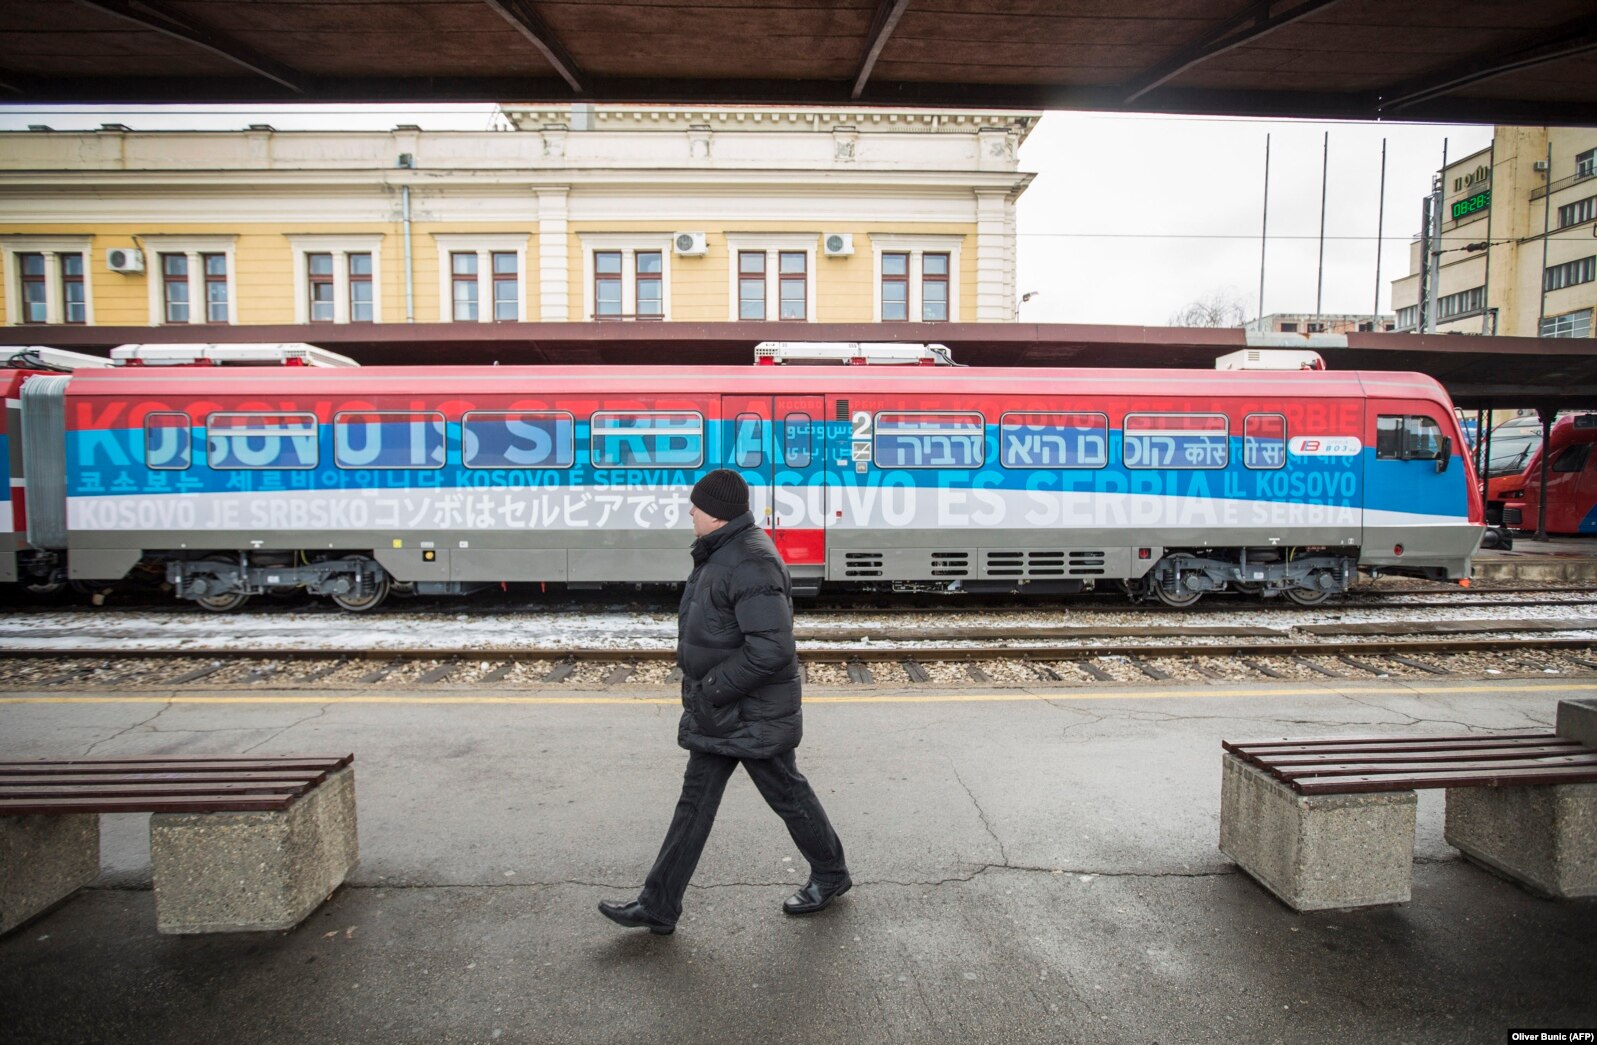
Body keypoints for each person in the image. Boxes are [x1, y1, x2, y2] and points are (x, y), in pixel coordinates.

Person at [599, 469, 850, 935]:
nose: (689, 512)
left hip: (748, 710)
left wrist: (713, 688)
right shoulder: (723, 552)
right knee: (696, 802)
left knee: (787, 793)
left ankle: (831, 874)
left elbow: (771, 648)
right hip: (722, 711)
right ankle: (659, 903)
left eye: (695, 506)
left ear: (714, 514)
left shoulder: (749, 561)